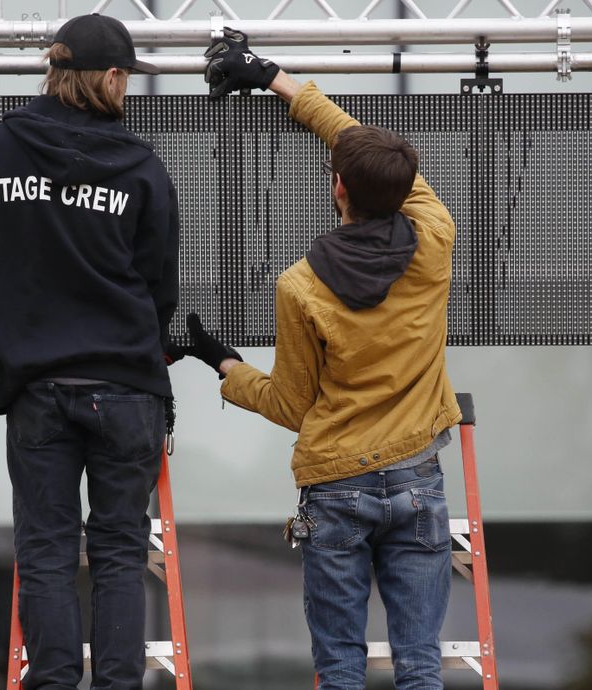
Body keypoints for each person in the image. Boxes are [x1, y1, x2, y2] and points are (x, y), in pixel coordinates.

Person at [0, 13, 179, 690]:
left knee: (47, 554)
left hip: (37, 394)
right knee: (119, 554)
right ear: (111, 78)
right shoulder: (141, 168)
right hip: (124, 389)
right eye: (126, 81)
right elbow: (158, 293)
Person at [186, 29, 463, 690]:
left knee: (338, 667)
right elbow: (359, 144)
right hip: (418, 479)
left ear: (338, 188)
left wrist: (222, 365)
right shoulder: (434, 233)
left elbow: (290, 404)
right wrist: (277, 78)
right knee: (420, 665)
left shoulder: (301, 286)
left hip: (338, 488)